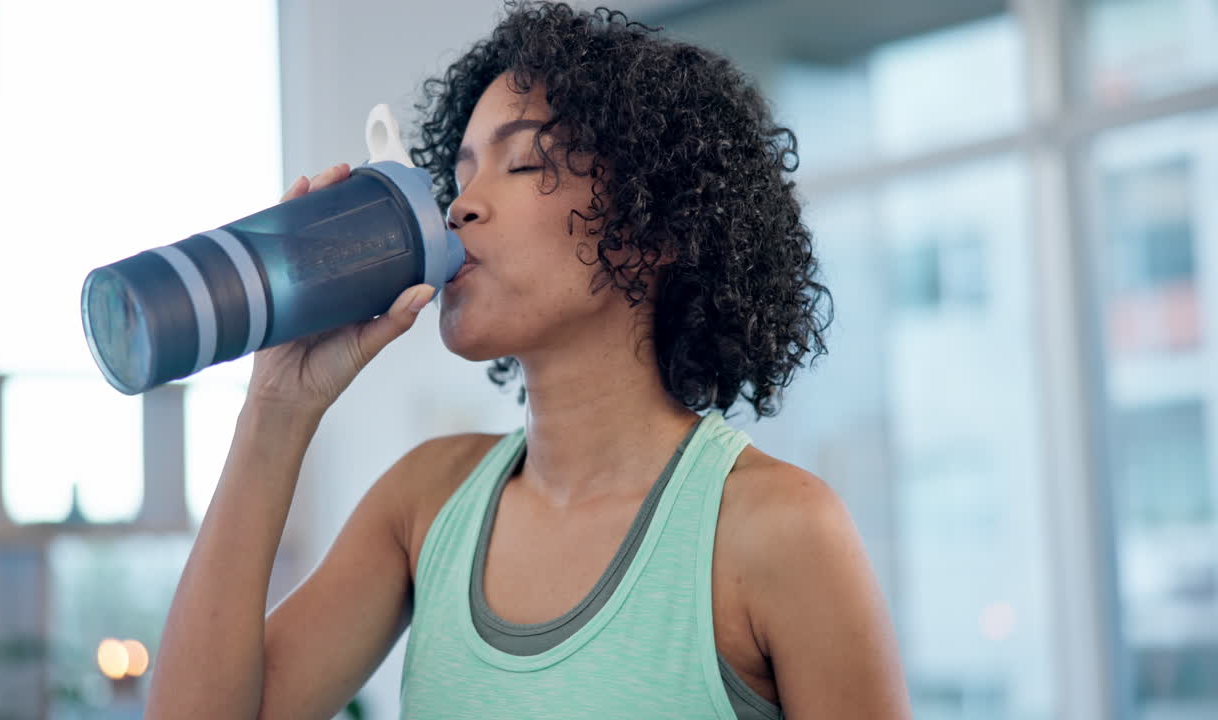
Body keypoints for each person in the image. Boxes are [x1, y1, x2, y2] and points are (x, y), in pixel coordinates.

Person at [145, 2, 911, 718]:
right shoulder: (424, 504)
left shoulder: (779, 531)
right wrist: (276, 410)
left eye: (519, 165)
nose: (458, 206)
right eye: (463, 172)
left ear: (652, 229)